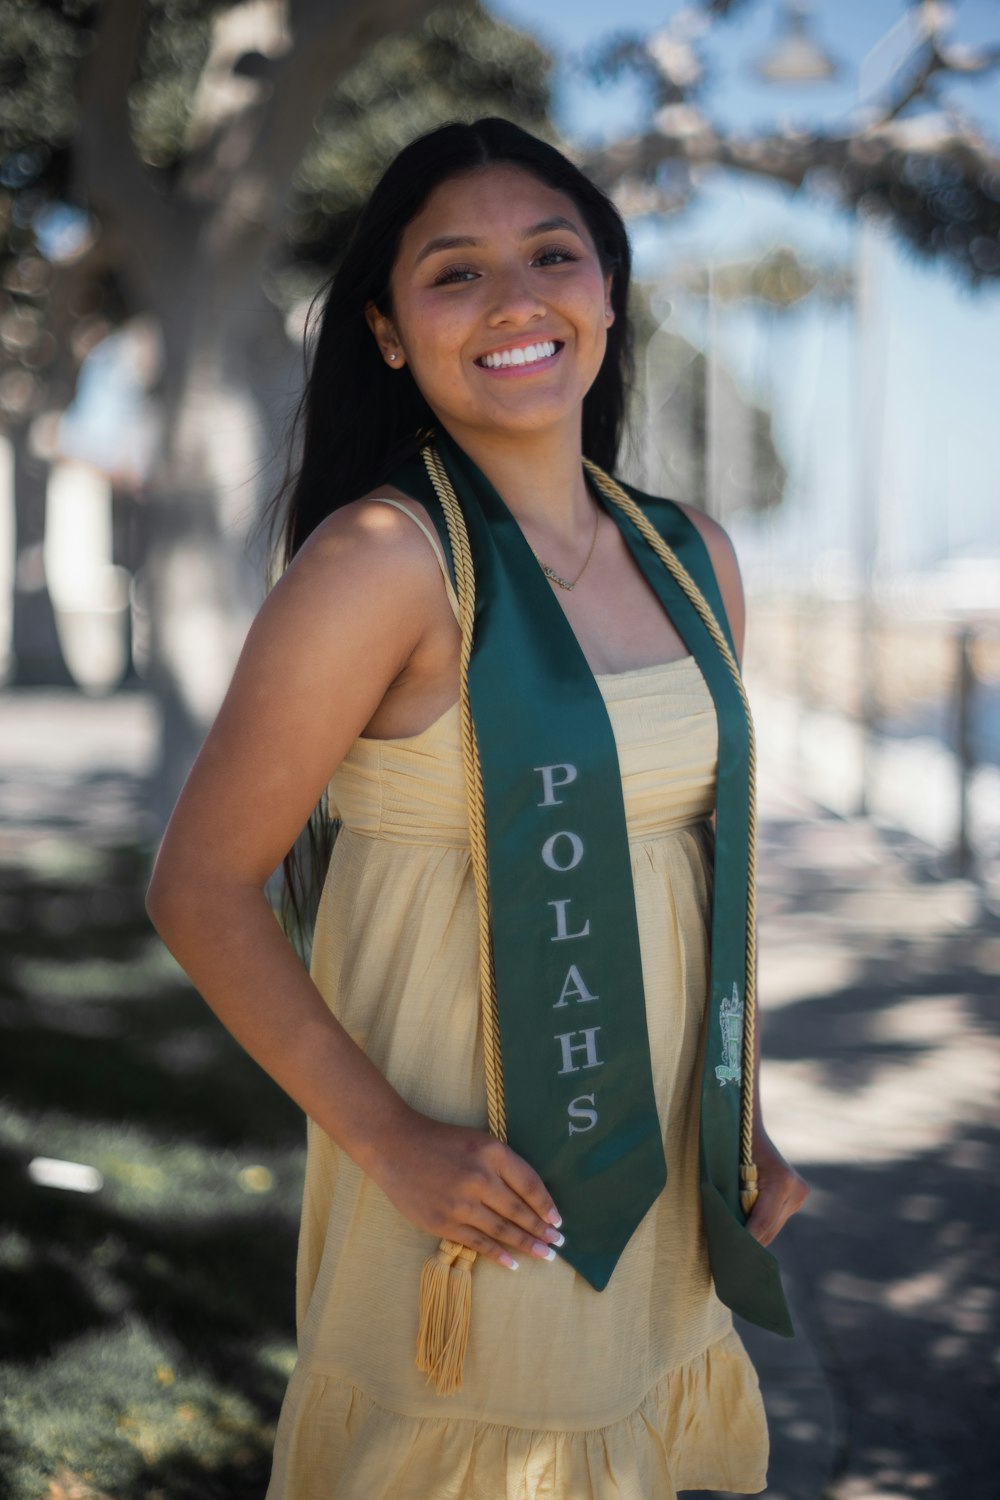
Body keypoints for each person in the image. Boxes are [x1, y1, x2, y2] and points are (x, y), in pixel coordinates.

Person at [146, 116, 809, 1500]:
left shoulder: (695, 559)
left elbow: (694, 857)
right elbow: (200, 887)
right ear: (388, 332)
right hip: (469, 1185)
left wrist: (743, 1110)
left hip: (665, 1185)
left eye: (552, 255)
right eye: (455, 274)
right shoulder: (380, 562)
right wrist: (390, 1142)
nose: (515, 299)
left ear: (607, 298)